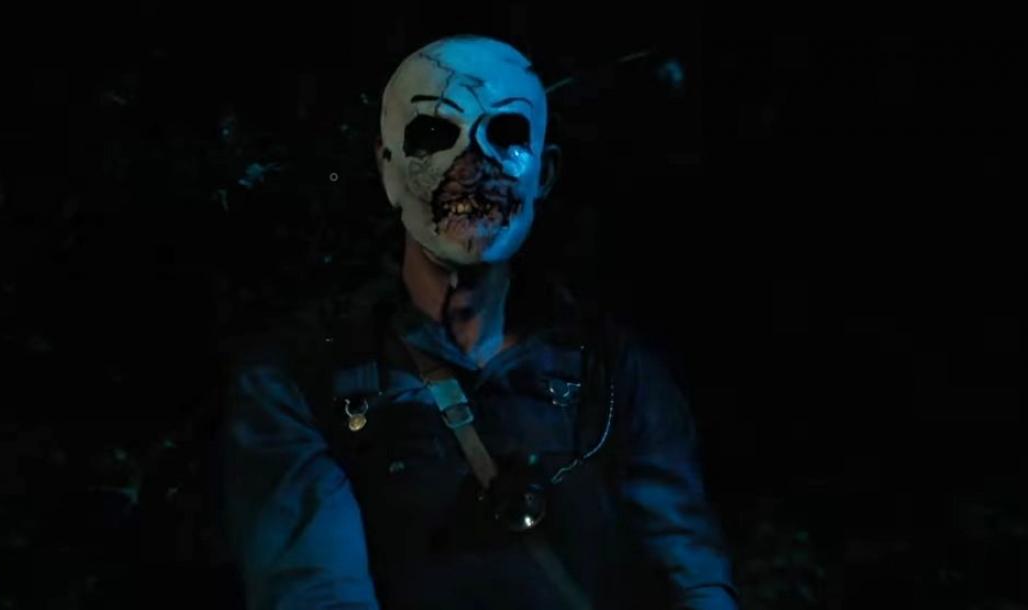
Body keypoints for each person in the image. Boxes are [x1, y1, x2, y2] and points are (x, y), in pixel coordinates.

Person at [220, 35, 738, 610]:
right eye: (434, 134)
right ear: (387, 168)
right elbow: (313, 588)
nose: (473, 164)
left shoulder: (613, 371)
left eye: (506, 135)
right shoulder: (304, 374)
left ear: (545, 172)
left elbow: (687, 563)